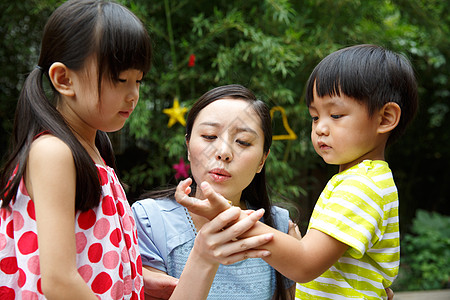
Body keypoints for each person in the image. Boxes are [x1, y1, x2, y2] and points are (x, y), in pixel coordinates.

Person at [0, 1, 272, 299]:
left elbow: (85, 250)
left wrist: (135, 275)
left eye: (138, 81)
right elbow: (59, 281)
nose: (133, 95)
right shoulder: (53, 151)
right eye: (120, 80)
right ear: (64, 79)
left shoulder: (91, 150)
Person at [175, 44, 418, 299]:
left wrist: (228, 217)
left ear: (385, 118)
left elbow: (304, 264)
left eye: (335, 115)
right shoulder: (361, 180)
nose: (320, 128)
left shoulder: (361, 185)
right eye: (315, 117)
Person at [132, 84, 300, 300]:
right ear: (188, 146)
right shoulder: (149, 222)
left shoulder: (280, 227)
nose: (223, 152)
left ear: (262, 160)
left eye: (243, 142)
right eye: (210, 136)